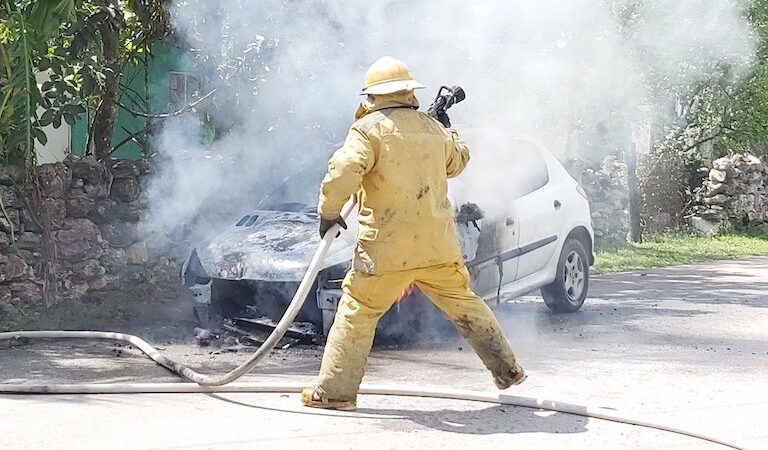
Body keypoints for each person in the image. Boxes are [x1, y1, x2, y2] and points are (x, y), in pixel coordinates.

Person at [302, 56, 525, 411]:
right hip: (437, 247)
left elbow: (343, 170)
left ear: (371, 97)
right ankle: (508, 370)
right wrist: (447, 129)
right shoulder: (432, 129)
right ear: (409, 92)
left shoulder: (367, 130)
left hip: (387, 250)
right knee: (467, 304)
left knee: (357, 311)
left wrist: (329, 213)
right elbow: (458, 162)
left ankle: (335, 393)